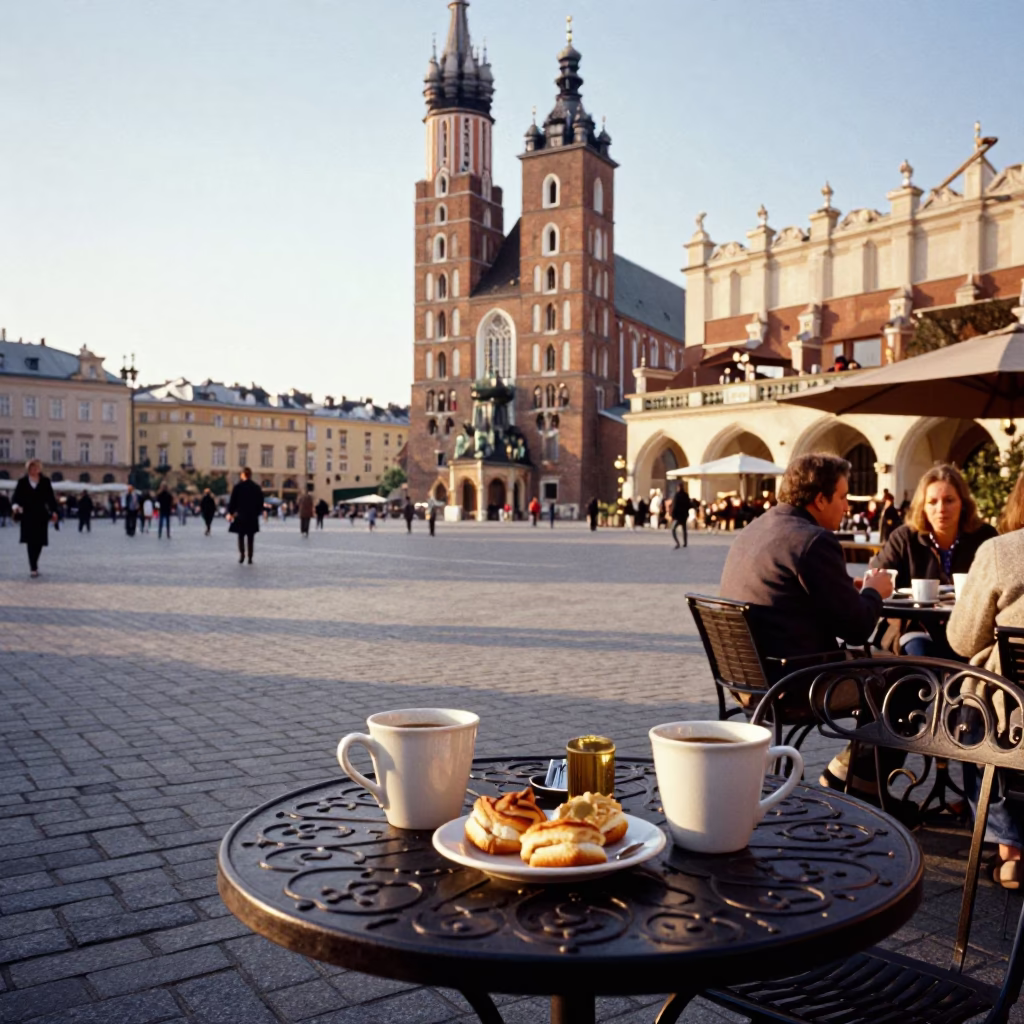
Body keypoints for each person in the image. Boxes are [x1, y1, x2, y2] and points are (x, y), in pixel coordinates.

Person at [720, 452, 893, 667]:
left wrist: (844, 588)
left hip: (750, 676)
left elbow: (788, 592)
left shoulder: (754, 529)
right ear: (820, 500)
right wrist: (874, 591)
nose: (847, 507)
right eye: (842, 497)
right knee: (913, 676)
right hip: (802, 681)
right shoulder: (814, 540)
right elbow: (856, 630)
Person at [947, 471, 1024, 888]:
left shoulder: (1000, 551)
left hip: (1012, 716)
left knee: (975, 703)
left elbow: (962, 640)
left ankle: (1011, 850)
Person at [870, 463, 996, 657]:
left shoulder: (984, 537)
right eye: (932, 502)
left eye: (949, 500)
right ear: (922, 506)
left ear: (963, 503)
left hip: (969, 630)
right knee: (921, 656)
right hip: (913, 627)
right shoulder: (904, 538)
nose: (941, 509)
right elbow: (878, 577)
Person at [11, 459, 59, 577]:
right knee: (30, 542)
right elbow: (15, 497)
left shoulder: (45, 481)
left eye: (36, 468)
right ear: (28, 469)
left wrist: (54, 512)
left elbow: (50, 498)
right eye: (32, 468)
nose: (34, 470)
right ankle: (33, 567)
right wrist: (16, 506)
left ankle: (34, 563)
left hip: (41, 515)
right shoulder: (22, 482)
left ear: (39, 469)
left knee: (40, 542)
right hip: (27, 515)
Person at [227, 466, 264, 564]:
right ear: (250, 475)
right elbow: (260, 502)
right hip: (252, 516)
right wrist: (257, 512)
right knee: (250, 538)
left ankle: (242, 554)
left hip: (241, 516)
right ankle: (250, 557)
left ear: (243, 475)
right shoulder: (256, 487)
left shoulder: (238, 487)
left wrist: (231, 512)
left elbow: (233, 502)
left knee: (241, 536)